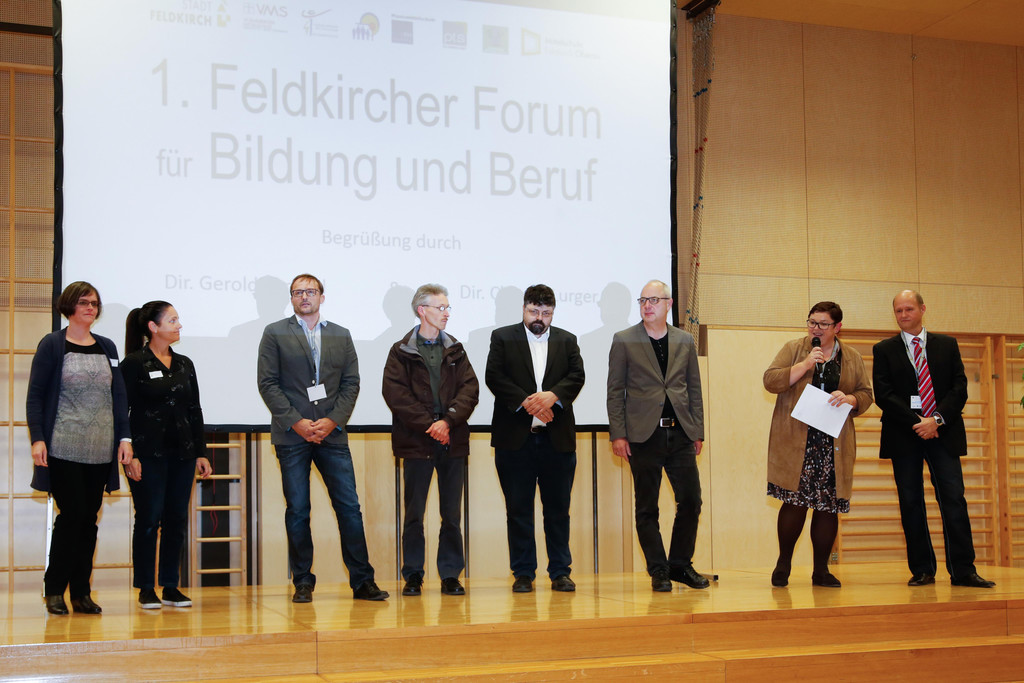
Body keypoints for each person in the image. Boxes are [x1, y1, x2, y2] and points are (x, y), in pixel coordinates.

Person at [257, 274, 388, 602]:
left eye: (310, 291)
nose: (304, 297)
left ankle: (362, 581)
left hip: (333, 435)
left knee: (349, 509)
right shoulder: (274, 332)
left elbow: (351, 383)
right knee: (298, 511)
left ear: (321, 297)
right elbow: (268, 383)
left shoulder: (340, 334)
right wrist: (297, 422)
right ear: (291, 298)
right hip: (292, 436)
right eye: (298, 292)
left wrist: (332, 421)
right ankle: (302, 581)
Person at [25, 281, 136, 615]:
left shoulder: (107, 346)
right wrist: (37, 438)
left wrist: (125, 438)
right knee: (72, 516)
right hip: (63, 446)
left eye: (95, 303)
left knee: (88, 521)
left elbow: (118, 397)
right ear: (69, 306)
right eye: (85, 302)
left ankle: (81, 593)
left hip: (100, 450)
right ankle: (54, 589)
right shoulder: (52, 344)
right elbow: (35, 395)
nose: (91, 308)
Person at [873, 290, 995, 588]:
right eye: (898, 311)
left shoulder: (947, 344)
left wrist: (936, 420)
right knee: (911, 502)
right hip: (905, 435)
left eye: (909, 309)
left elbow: (960, 388)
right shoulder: (884, 349)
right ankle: (923, 570)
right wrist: (919, 423)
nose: (904, 315)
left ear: (922, 309)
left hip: (944, 432)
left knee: (953, 500)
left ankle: (963, 570)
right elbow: (884, 394)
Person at [763, 302, 873, 588]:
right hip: (798, 439)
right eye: (812, 322)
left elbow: (865, 394)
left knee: (828, 506)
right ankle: (784, 562)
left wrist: (850, 399)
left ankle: (821, 570)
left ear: (837, 327)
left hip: (833, 443)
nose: (816, 328)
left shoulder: (851, 357)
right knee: (795, 502)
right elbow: (771, 380)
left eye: (823, 324)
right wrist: (804, 365)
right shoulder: (795, 349)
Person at [607, 280, 706, 592]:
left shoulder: (684, 340)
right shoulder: (624, 340)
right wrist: (618, 434)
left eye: (653, 300)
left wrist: (697, 430)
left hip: (681, 433)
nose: (647, 306)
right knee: (647, 507)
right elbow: (615, 391)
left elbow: (694, 389)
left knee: (691, 501)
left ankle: (680, 565)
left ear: (669, 304)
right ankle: (658, 570)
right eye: (643, 300)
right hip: (642, 436)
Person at [485, 284, 585, 593]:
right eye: (534, 311)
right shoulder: (503, 337)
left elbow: (577, 376)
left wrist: (552, 396)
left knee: (558, 511)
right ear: (524, 309)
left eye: (546, 313)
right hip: (516, 440)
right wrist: (529, 403)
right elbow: (494, 376)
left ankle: (560, 571)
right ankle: (523, 572)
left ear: (553, 312)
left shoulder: (567, 340)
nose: (539, 318)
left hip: (557, 441)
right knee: (518, 511)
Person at [382, 284, 479, 596]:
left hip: (452, 439)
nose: (446, 313)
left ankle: (450, 575)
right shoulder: (401, 350)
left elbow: (470, 390)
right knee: (414, 514)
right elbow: (396, 394)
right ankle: (413, 575)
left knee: (451, 515)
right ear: (422, 311)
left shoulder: (456, 349)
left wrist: (447, 422)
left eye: (448, 307)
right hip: (417, 441)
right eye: (441, 307)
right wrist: (430, 425)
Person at [121, 301, 213, 609]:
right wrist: (130, 453)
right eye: (172, 320)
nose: (179, 325)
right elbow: (122, 411)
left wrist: (200, 452)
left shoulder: (185, 363)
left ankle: (171, 585)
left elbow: (194, 409)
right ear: (153, 327)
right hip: (147, 453)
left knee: (176, 519)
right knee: (149, 518)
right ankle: (146, 587)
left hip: (183, 453)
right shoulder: (134, 363)